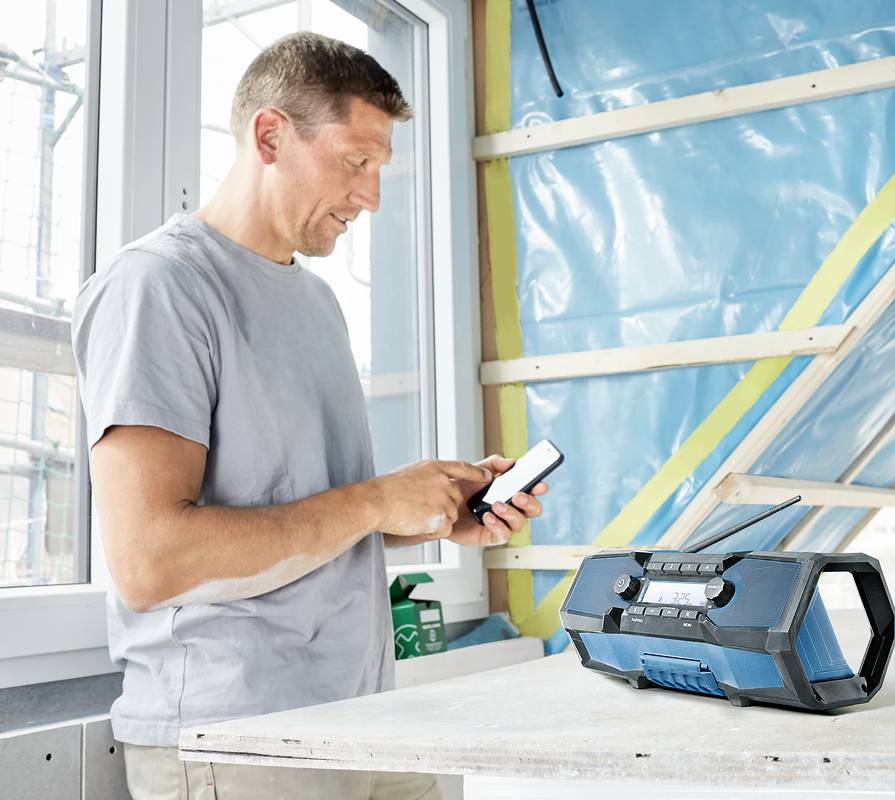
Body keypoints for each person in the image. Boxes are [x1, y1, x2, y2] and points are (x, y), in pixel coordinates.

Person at [71, 31, 545, 800]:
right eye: (356, 163)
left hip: (369, 717)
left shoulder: (318, 302)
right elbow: (151, 559)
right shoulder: (159, 288)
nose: (372, 197)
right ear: (270, 136)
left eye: (381, 170)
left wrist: (424, 513)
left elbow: (299, 509)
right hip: (241, 740)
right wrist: (373, 500)